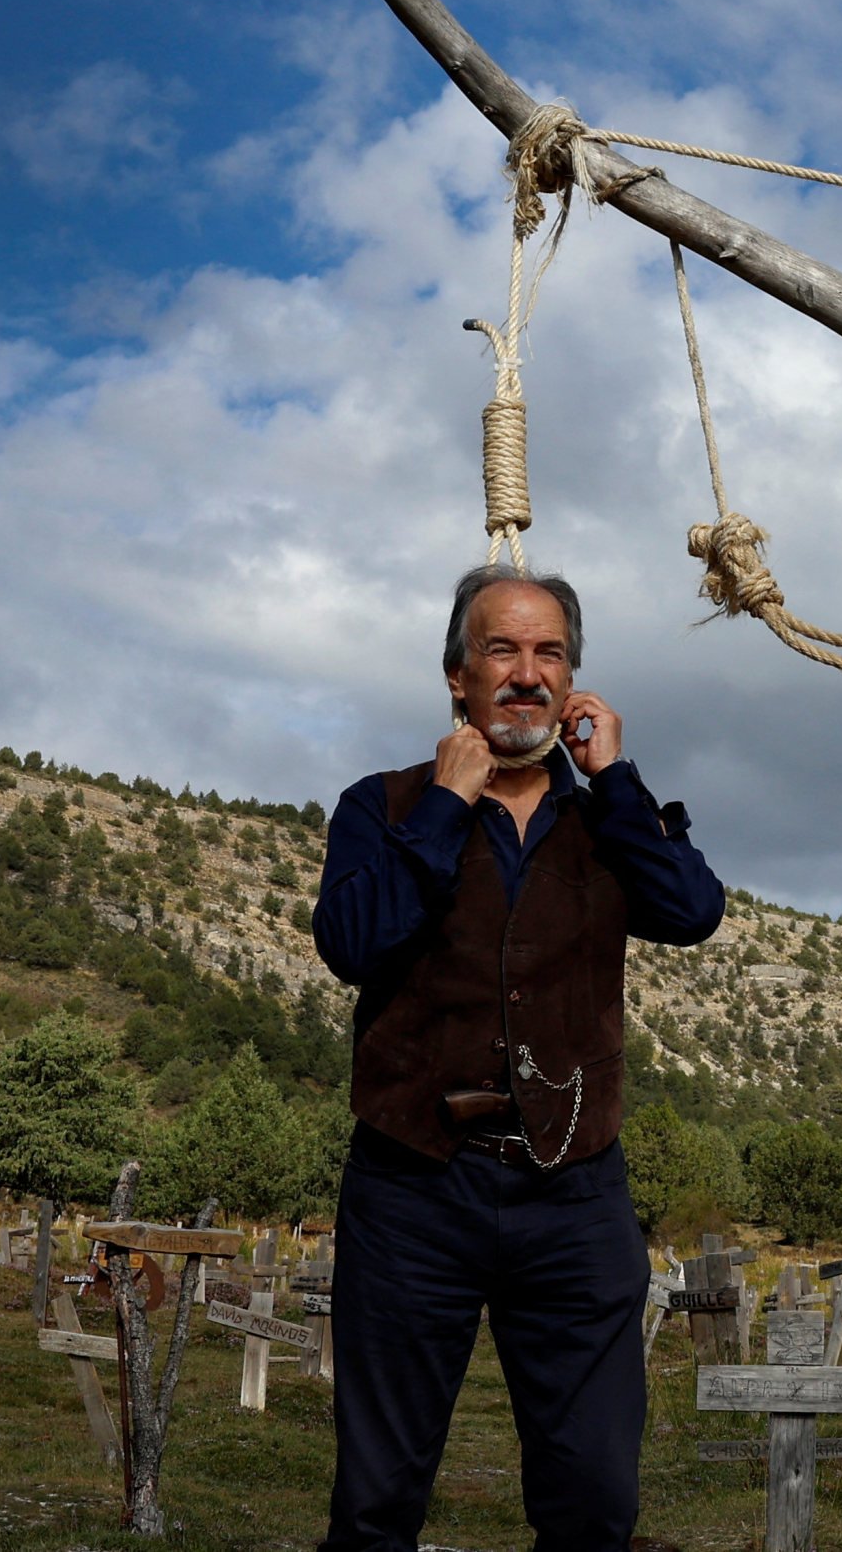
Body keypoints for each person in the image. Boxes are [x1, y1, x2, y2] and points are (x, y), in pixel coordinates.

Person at [312, 564, 728, 1552]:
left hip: (574, 1193)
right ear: (458, 676)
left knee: (592, 1497)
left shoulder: (607, 821)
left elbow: (691, 911)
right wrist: (446, 811)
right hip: (413, 1184)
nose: (526, 673)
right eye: (502, 649)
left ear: (573, 679)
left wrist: (616, 777)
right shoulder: (384, 805)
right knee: (377, 1495)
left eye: (549, 653)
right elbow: (350, 943)